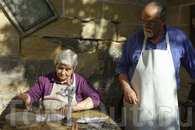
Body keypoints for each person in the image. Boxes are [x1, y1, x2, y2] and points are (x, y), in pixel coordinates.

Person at [116, 1, 195, 130]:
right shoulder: (133, 40)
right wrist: (127, 89)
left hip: (167, 108)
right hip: (138, 107)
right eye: (143, 21)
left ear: (163, 20)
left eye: (150, 23)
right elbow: (122, 68)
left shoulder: (179, 38)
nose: (145, 26)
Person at [18, 49, 101, 115]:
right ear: (56, 65)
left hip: (71, 123)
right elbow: (32, 95)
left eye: (67, 69)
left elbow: (95, 98)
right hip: (47, 123)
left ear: (74, 68)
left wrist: (75, 107)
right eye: (60, 68)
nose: (63, 72)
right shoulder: (45, 79)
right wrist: (25, 98)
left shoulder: (80, 81)